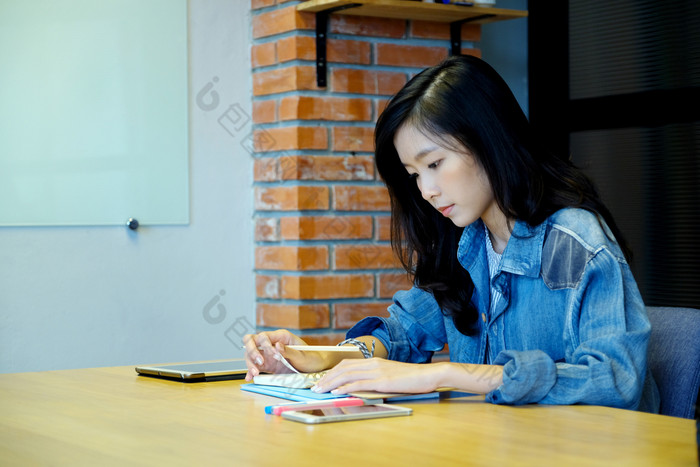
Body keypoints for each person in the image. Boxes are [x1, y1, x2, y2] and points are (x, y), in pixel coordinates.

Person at [243, 55, 659, 412]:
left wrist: (447, 374)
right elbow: (402, 335)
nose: (426, 190)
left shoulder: (573, 242)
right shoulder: (467, 241)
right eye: (414, 175)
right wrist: (310, 359)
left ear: (488, 140)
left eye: (435, 164)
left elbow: (613, 380)